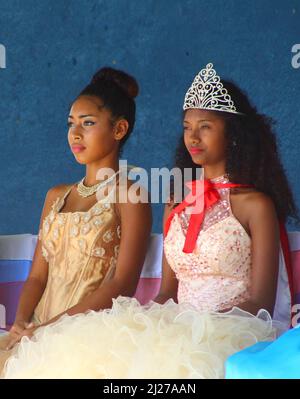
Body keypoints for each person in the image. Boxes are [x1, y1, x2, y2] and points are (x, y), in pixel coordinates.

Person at [2, 63, 297, 379]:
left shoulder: (256, 205)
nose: (193, 137)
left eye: (205, 126)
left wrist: (199, 329)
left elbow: (261, 301)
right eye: (186, 127)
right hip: (179, 325)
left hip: (233, 331)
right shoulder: (177, 201)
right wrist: (150, 325)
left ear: (233, 134)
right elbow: (168, 291)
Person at [0, 67, 152, 374]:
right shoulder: (55, 195)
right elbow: (37, 276)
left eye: (88, 123)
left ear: (119, 129)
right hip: (36, 328)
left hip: (88, 332)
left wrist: (52, 330)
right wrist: (20, 323)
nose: (75, 133)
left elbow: (123, 284)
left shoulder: (129, 194)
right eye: (71, 124)